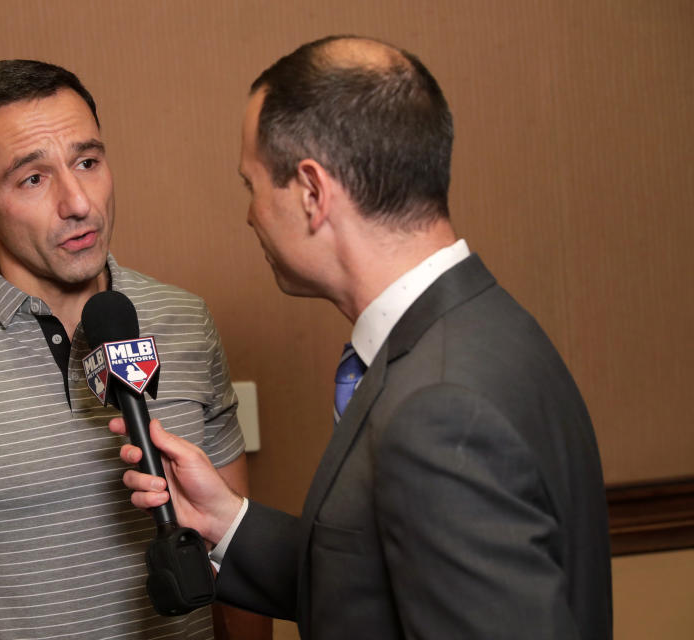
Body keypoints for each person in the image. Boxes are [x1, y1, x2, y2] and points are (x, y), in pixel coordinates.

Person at [113, 36, 613, 639]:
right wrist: (229, 521)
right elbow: (384, 581)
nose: (249, 215)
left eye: (252, 186)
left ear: (311, 192)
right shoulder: (486, 329)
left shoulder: (441, 405)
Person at [0, 59, 270, 640]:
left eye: (88, 162)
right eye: (33, 178)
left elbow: (238, 550)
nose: (78, 202)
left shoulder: (186, 319)